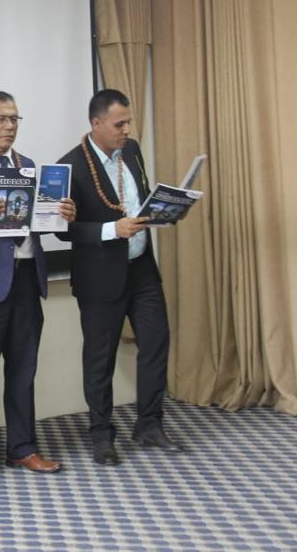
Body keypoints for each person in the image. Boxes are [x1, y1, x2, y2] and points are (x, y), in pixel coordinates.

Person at [0, 90, 76, 484]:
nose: (9, 126)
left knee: (23, 370)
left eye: (14, 119)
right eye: (1, 118)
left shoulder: (28, 166)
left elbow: (40, 222)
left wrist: (63, 215)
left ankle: (22, 447)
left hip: (26, 278)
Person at [57, 88, 182, 466]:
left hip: (141, 267)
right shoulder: (70, 167)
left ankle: (149, 424)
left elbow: (138, 201)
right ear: (96, 123)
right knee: (100, 358)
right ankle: (101, 434)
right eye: (119, 124)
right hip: (100, 277)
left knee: (156, 342)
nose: (127, 130)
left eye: (128, 122)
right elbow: (64, 232)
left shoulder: (132, 150)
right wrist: (113, 229)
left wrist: (166, 210)